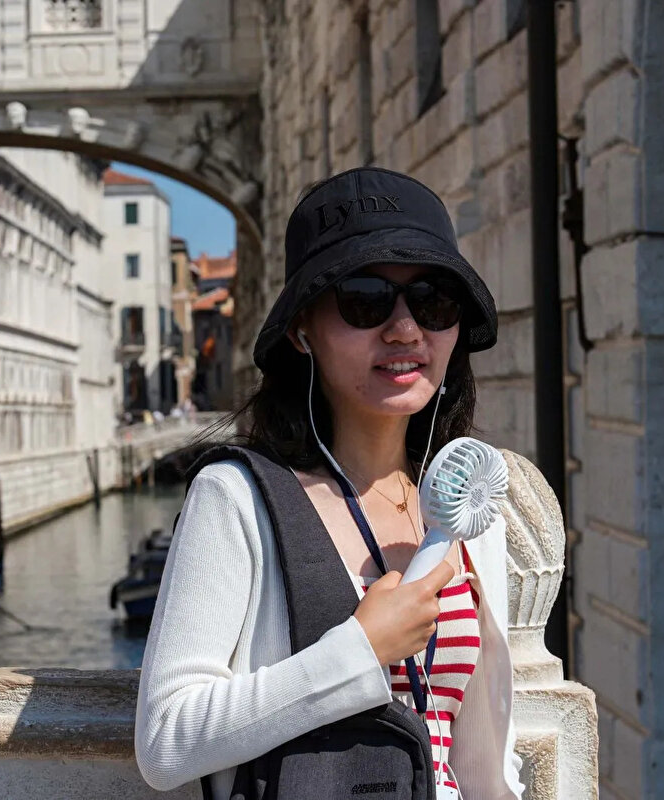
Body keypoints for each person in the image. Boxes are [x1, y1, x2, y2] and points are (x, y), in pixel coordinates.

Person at [135, 167, 523, 799]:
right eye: (365, 299)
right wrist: (361, 651)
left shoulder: (467, 508)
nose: (405, 329)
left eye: (434, 301)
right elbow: (166, 739)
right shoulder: (238, 498)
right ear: (302, 330)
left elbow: (476, 755)